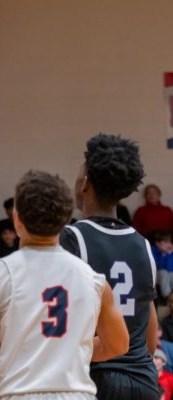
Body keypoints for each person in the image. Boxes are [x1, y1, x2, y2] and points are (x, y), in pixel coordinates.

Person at [0, 170, 129, 399]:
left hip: (18, 393)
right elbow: (118, 345)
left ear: (16, 218)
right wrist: (69, 347)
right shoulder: (95, 280)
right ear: (66, 220)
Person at [60, 133, 160, 399]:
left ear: (85, 184)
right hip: (143, 383)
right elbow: (150, 340)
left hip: (93, 380)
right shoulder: (144, 246)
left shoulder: (72, 238)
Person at [153, 230, 173, 298]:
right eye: (165, 242)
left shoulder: (169, 252)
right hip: (155, 275)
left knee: (171, 274)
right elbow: (158, 266)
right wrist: (163, 254)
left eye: (169, 242)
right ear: (157, 243)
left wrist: (169, 254)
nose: (168, 244)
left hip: (168, 273)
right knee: (163, 272)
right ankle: (167, 297)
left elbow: (170, 268)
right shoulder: (153, 250)